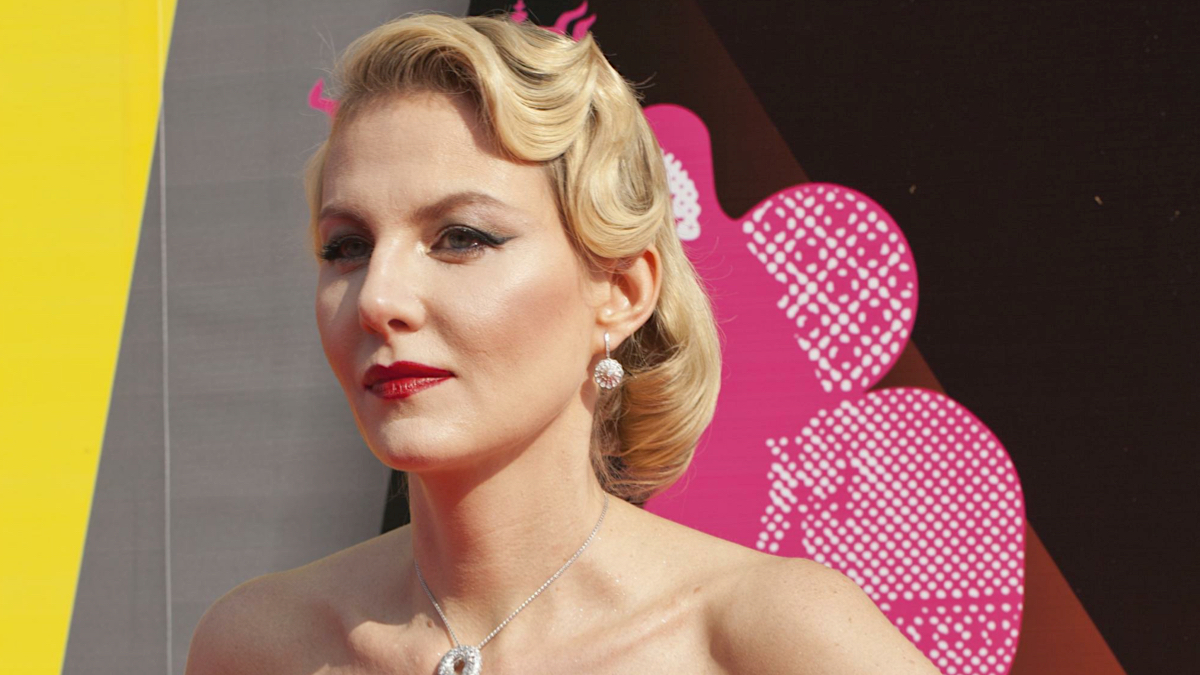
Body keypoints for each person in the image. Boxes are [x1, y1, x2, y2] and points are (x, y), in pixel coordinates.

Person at [185, 12, 940, 674]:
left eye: (460, 237)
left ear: (622, 291)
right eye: (347, 248)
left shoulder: (764, 637)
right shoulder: (258, 647)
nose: (377, 299)